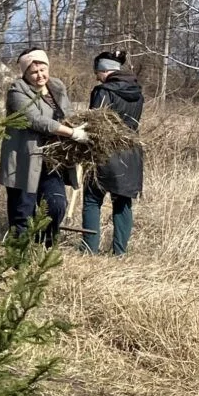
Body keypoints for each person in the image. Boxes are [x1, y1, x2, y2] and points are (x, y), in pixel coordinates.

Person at [0, 48, 85, 246]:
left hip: (51, 160)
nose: (40, 75)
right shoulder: (17, 91)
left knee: (56, 205)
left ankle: (43, 244)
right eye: (33, 71)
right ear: (25, 73)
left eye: (42, 69)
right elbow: (35, 120)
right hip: (24, 160)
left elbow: (68, 114)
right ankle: (18, 258)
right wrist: (71, 133)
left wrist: (79, 129)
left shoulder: (56, 87)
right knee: (22, 212)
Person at [81, 51, 143, 255]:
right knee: (122, 201)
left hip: (104, 151)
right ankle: (120, 253)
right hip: (131, 151)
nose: (96, 76)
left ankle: (90, 249)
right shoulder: (138, 92)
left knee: (92, 199)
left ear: (105, 71)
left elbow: (94, 122)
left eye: (97, 72)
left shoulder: (103, 91)